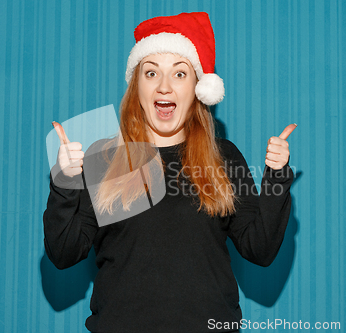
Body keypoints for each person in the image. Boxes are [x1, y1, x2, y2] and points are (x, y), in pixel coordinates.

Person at [43, 12, 296, 333]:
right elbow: (63, 254)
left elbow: (260, 250)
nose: (164, 86)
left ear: (197, 87)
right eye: (151, 73)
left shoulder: (224, 157)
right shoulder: (104, 158)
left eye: (179, 74)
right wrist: (65, 180)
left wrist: (275, 175)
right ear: (137, 86)